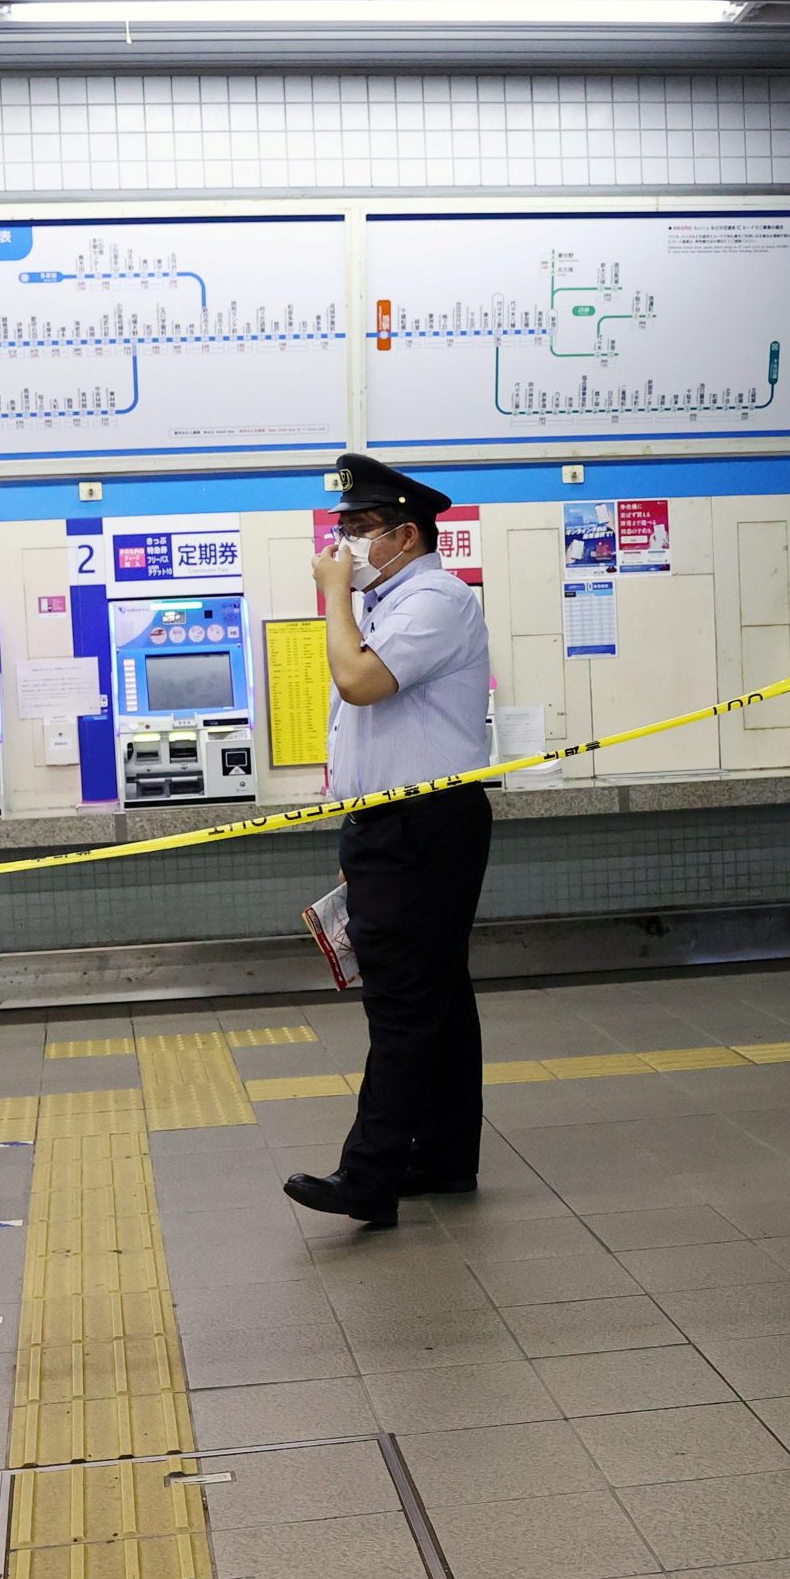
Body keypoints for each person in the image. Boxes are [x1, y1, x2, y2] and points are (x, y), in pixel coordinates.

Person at [281, 453, 492, 1232]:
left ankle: (369, 1175)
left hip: (425, 826)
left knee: (404, 1001)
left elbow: (360, 684)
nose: (344, 545)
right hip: (393, 827)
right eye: (340, 528)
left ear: (407, 533)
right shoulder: (393, 600)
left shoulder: (434, 598)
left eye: (360, 529)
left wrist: (333, 595)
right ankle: (441, 1155)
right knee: (437, 994)